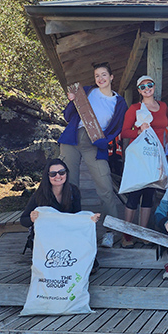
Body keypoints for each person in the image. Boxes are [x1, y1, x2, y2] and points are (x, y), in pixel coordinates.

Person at [58, 62, 127, 248]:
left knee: (105, 186)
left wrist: (104, 142)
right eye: (97, 76)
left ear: (111, 77)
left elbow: (117, 127)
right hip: (72, 139)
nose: (101, 79)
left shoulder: (119, 102)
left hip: (95, 142)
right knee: (68, 185)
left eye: (104, 75)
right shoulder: (87, 91)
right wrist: (72, 100)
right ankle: (71, 229)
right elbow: (68, 116)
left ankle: (110, 232)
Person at [120, 75, 168, 247]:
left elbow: (164, 131)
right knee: (134, 193)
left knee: (149, 194)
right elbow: (124, 131)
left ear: (154, 87)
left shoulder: (163, 106)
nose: (147, 88)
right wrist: (138, 132)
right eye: (142, 86)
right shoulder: (134, 108)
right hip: (140, 157)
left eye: (149, 85)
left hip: (156, 156)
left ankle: (143, 233)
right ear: (139, 91)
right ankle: (127, 235)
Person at [20, 160, 100, 265]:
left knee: (89, 261)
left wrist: (89, 219)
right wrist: (32, 218)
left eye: (62, 172)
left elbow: (77, 217)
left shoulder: (73, 191)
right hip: (47, 238)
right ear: (47, 176)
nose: (58, 176)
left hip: (67, 233)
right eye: (53, 174)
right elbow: (23, 220)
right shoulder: (39, 194)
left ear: (66, 173)